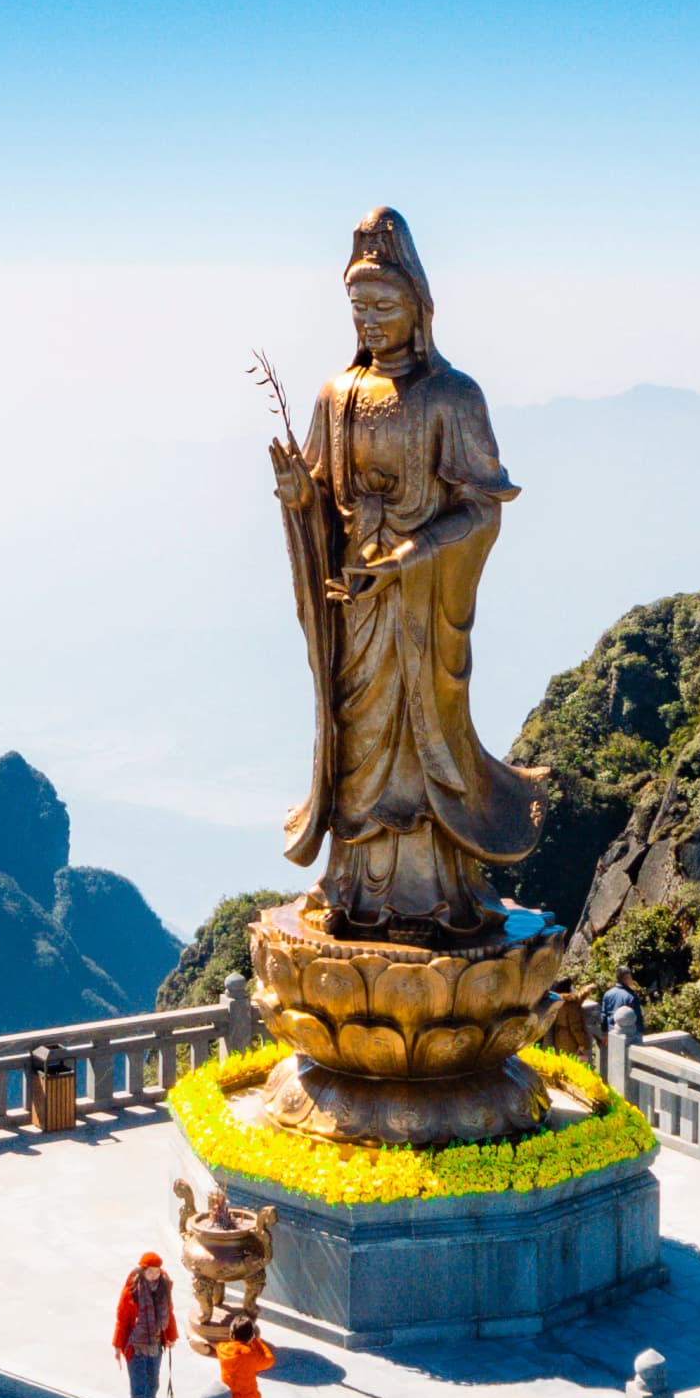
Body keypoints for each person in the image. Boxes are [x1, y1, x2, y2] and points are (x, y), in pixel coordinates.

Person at [268, 209, 542, 941]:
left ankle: (435, 891)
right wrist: (302, 502)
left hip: (420, 612)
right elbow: (327, 508)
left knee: (424, 742)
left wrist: (416, 554)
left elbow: (483, 509)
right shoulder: (338, 396)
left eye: (385, 305)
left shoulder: (453, 397)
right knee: (358, 744)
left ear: (419, 306)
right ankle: (355, 887)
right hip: (356, 605)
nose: (372, 320)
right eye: (359, 308)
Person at [111, 1250, 176, 1398]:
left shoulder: (163, 1288)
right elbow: (122, 1319)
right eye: (150, 1271)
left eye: (157, 1271)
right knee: (138, 1391)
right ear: (143, 1271)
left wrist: (171, 1337)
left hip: (156, 1344)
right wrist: (118, 1345)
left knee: (153, 1387)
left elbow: (169, 1312)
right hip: (136, 1347)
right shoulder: (132, 1290)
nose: (154, 1275)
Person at [215, 1318, 276, 1398]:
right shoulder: (250, 1355)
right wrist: (257, 1341)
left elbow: (227, 1346)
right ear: (250, 1336)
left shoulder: (222, 1349)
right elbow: (269, 1360)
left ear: (231, 1334)